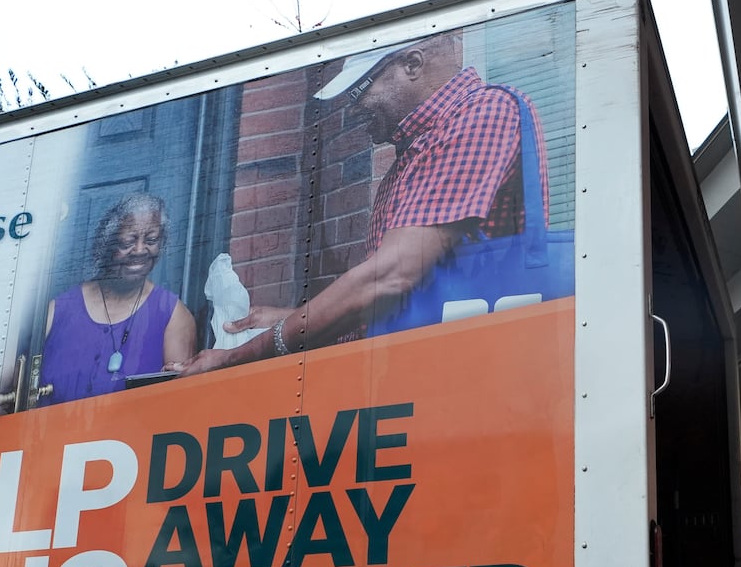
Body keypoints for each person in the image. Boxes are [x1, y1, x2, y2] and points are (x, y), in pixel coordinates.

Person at [177, 29, 547, 376]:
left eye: (359, 92)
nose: (354, 110)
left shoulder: (482, 113)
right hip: (422, 371)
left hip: (468, 375)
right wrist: (291, 319)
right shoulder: (412, 155)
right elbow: (389, 305)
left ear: (412, 65)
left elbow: (389, 277)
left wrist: (244, 354)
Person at [39, 192, 197, 404]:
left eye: (151, 240)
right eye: (128, 241)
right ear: (108, 242)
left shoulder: (173, 315)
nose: (140, 250)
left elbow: (179, 404)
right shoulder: (59, 309)